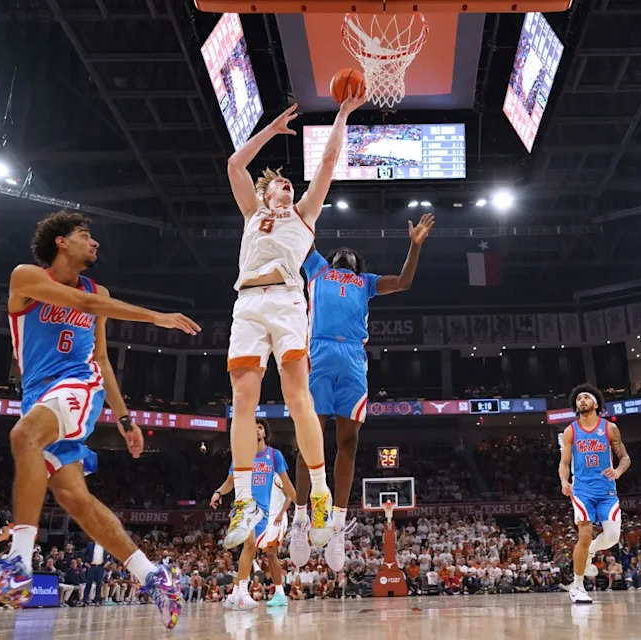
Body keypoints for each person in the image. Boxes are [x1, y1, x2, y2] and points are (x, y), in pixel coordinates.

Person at [0, 211, 198, 630]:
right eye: (86, 235)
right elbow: (82, 303)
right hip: (39, 392)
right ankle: (153, 576)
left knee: (23, 435)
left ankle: (17, 565)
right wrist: (154, 315)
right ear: (61, 242)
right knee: (73, 498)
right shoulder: (26, 277)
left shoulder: (97, 290)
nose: (95, 243)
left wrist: (125, 419)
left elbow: (101, 357)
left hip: (80, 384)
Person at [220, 91, 366, 551]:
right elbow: (234, 166)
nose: (286, 186)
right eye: (279, 183)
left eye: (288, 184)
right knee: (243, 401)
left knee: (296, 395)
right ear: (265, 193)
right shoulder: (252, 213)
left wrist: (341, 114)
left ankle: (319, 492)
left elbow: (327, 164)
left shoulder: (303, 216)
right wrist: (268, 130)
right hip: (246, 304)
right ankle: (244, 501)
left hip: (285, 302)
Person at [291, 214, 435, 571]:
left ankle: (337, 525)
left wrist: (414, 247)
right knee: (308, 437)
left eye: (351, 253)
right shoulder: (318, 269)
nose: (346, 253)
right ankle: (299, 518)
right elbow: (299, 234)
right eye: (341, 251)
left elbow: (403, 281)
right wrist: (290, 207)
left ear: (359, 266)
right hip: (320, 352)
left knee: (349, 442)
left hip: (354, 357)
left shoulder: (366, 282)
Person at [211, 419, 296, 610]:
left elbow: (288, 486)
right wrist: (218, 492)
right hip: (245, 507)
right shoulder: (241, 456)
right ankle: (242, 592)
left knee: (257, 551)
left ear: (265, 433)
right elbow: (229, 482)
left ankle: (236, 594)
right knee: (249, 545)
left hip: (265, 512)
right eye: (253, 427)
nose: (256, 430)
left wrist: (301, 507)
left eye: (259, 427)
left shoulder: (275, 456)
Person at [558, 384, 631, 604]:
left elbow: (625, 458)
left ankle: (589, 552)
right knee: (585, 533)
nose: (581, 400)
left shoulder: (609, 429)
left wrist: (618, 471)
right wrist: (563, 481)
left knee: (612, 537)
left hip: (607, 491)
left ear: (596, 403)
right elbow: (563, 462)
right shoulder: (571, 430)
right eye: (578, 398)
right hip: (582, 490)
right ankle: (577, 586)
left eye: (586, 397)